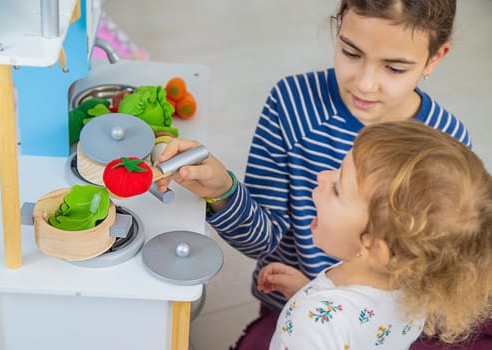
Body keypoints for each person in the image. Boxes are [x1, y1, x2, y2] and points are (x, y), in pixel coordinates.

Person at [157, 0, 481, 348]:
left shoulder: (446, 144)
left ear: (435, 57)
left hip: (379, 323)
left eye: (394, 68)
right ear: (338, 27)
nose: (365, 84)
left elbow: (432, 269)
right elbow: (262, 240)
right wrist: (223, 191)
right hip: (300, 299)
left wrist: (324, 296)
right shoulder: (291, 103)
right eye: (351, 53)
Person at [259, 120, 492, 349]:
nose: (323, 176)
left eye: (337, 188)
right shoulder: (413, 286)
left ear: (374, 249)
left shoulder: (309, 326)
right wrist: (310, 293)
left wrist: (312, 313)